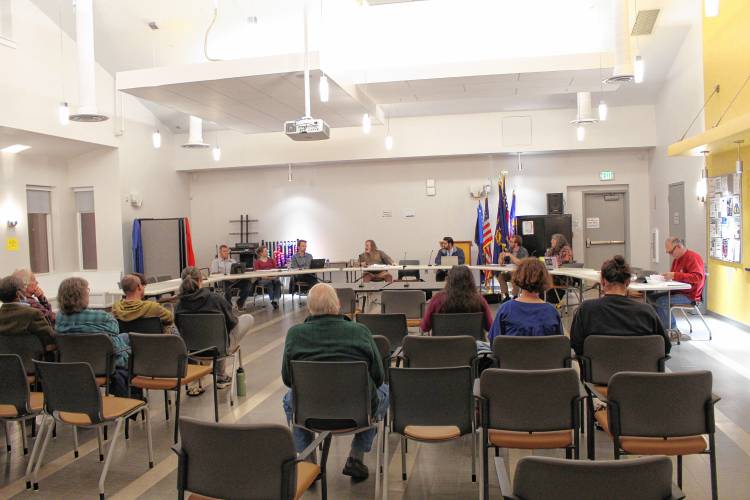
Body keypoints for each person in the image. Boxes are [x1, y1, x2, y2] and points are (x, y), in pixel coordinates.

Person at [281, 283, 387, 481]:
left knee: (290, 399)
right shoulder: (361, 332)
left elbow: (288, 380)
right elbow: (379, 377)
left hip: (310, 412)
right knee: (385, 392)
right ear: (338, 305)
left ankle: (308, 464)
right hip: (357, 413)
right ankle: (356, 456)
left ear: (309, 307)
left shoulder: (294, 335)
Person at [570, 255, 671, 355]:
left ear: (602, 282)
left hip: (598, 370)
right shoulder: (647, 312)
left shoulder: (586, 310)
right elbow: (665, 347)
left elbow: (576, 345)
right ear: (627, 282)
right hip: (640, 370)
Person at [175, 267, 255, 391]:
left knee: (212, 333)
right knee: (246, 319)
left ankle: (195, 381)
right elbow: (232, 322)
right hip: (219, 348)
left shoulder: (179, 305)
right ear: (201, 280)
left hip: (192, 350)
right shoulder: (216, 299)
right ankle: (221, 377)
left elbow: (179, 331)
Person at [55, 277, 132, 396]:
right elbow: (114, 330)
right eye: (87, 291)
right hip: (103, 365)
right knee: (123, 338)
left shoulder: (60, 317)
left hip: (74, 364)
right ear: (80, 295)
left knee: (122, 337)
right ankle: (134, 397)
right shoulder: (102, 317)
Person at [488, 258, 563, 343]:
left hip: (511, 355)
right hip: (543, 355)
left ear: (518, 276)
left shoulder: (505, 309)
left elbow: (494, 343)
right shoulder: (552, 312)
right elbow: (559, 345)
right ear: (545, 279)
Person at [648, 237, 706, 330]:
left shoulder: (693, 258)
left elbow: (697, 277)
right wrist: (665, 278)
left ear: (678, 246)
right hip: (677, 292)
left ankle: (673, 330)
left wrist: (674, 275)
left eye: (671, 252)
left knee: (661, 302)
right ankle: (659, 327)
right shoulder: (677, 260)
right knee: (650, 298)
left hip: (690, 296)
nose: (670, 255)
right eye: (668, 253)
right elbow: (675, 278)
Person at [420, 265, 493, 333]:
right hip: (473, 345)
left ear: (449, 280)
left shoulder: (437, 299)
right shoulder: (479, 300)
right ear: (470, 281)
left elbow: (424, 327)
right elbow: (490, 327)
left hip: (442, 345)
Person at [0, 275, 56, 352]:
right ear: (18, 294)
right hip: (32, 362)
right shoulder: (33, 314)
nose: (25, 290)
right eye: (24, 287)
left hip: (6, 363)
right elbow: (51, 340)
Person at [210, 244, 251, 310]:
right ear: (220, 252)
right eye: (224, 251)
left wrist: (240, 271)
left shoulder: (233, 261)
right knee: (226, 285)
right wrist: (223, 274)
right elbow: (213, 273)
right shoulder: (216, 261)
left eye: (227, 251)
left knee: (248, 283)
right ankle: (229, 306)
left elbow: (237, 271)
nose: (226, 253)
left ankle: (240, 302)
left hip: (234, 281)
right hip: (223, 281)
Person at [497, 234, 530, 300]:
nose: (509, 243)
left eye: (511, 242)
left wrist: (510, 255)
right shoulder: (510, 250)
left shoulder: (523, 251)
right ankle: (506, 296)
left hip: (521, 273)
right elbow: (501, 264)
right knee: (500, 276)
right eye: (509, 241)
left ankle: (515, 296)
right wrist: (500, 257)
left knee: (514, 275)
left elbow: (520, 263)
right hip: (510, 272)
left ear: (516, 244)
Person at [545, 233, 574, 304]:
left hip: (562, 278)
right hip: (552, 276)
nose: (551, 241)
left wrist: (554, 263)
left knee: (550, 295)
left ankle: (551, 298)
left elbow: (565, 261)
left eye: (553, 240)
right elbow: (548, 262)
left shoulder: (566, 249)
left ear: (558, 241)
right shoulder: (552, 250)